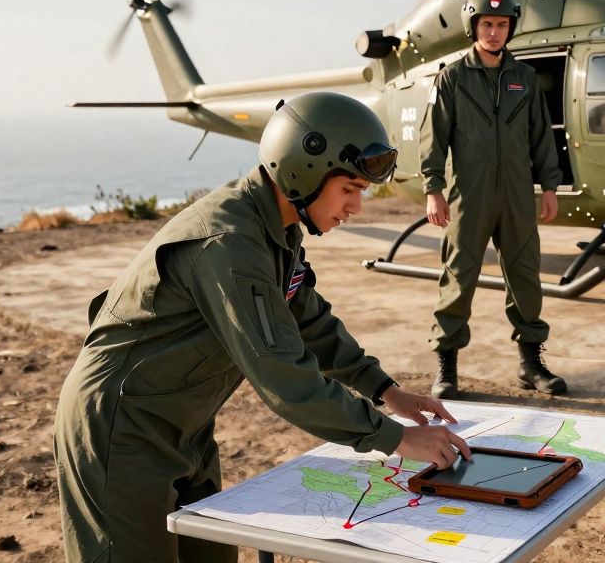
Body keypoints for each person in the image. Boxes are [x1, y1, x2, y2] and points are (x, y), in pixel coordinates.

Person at [54, 92, 471, 563]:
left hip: (183, 426)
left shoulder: (278, 228)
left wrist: (385, 391)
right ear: (304, 171)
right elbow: (283, 376)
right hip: (120, 428)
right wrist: (395, 439)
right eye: (349, 189)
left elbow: (308, 318)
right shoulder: (230, 244)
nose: (356, 206)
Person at [418, 0, 567, 400]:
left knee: (525, 274)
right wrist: (433, 188)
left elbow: (541, 137)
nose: (495, 32)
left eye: (502, 25)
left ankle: (531, 363)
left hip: (517, 194)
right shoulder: (452, 78)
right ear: (474, 27)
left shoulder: (525, 79)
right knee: (459, 274)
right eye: (487, 24)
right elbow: (433, 138)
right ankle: (447, 365)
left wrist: (549, 186)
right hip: (469, 191)